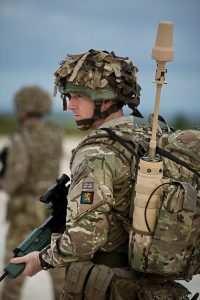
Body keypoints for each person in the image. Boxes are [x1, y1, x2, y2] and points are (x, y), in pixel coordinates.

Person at [8, 50, 192, 299]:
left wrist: (41, 259)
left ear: (105, 100)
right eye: (68, 96)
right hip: (151, 285)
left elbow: (84, 239)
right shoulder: (147, 136)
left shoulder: (96, 153)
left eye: (79, 96)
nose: (70, 105)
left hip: (110, 284)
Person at [0, 86, 65, 300]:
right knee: (58, 266)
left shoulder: (21, 138)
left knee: (14, 267)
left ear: (24, 109)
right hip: (51, 207)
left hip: (24, 211)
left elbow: (14, 180)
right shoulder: (55, 133)